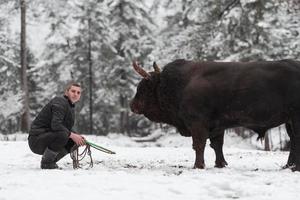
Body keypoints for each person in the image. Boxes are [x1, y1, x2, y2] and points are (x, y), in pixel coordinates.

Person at [28, 82, 86, 169]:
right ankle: (46, 163)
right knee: (63, 135)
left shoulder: (70, 106)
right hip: (36, 140)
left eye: (78, 92)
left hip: (48, 138)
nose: (76, 94)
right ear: (66, 92)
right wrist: (72, 135)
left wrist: (78, 137)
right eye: (73, 91)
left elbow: (66, 128)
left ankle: (51, 161)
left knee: (74, 142)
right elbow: (56, 125)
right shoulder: (60, 102)